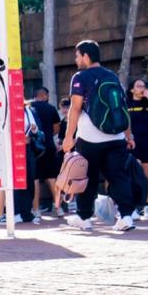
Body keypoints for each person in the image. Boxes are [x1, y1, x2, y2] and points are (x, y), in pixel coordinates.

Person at [62, 41, 138, 232]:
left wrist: (68, 136)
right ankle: (126, 217)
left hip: (89, 138)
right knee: (119, 176)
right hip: (116, 136)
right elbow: (122, 109)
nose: (76, 59)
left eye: (77, 56)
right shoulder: (112, 76)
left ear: (86, 56)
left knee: (87, 177)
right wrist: (129, 135)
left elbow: (76, 108)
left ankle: (84, 217)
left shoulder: (80, 77)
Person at [126, 78, 148, 220]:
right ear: (132, 89)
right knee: (131, 176)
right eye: (139, 86)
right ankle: (131, 208)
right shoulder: (126, 103)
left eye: (144, 86)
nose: (142, 88)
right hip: (131, 144)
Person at [30, 87, 63, 216]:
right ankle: (58, 207)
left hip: (34, 146)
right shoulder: (51, 108)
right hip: (48, 145)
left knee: (35, 178)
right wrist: (48, 135)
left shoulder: (29, 108)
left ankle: (36, 210)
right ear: (44, 96)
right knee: (52, 177)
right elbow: (56, 128)